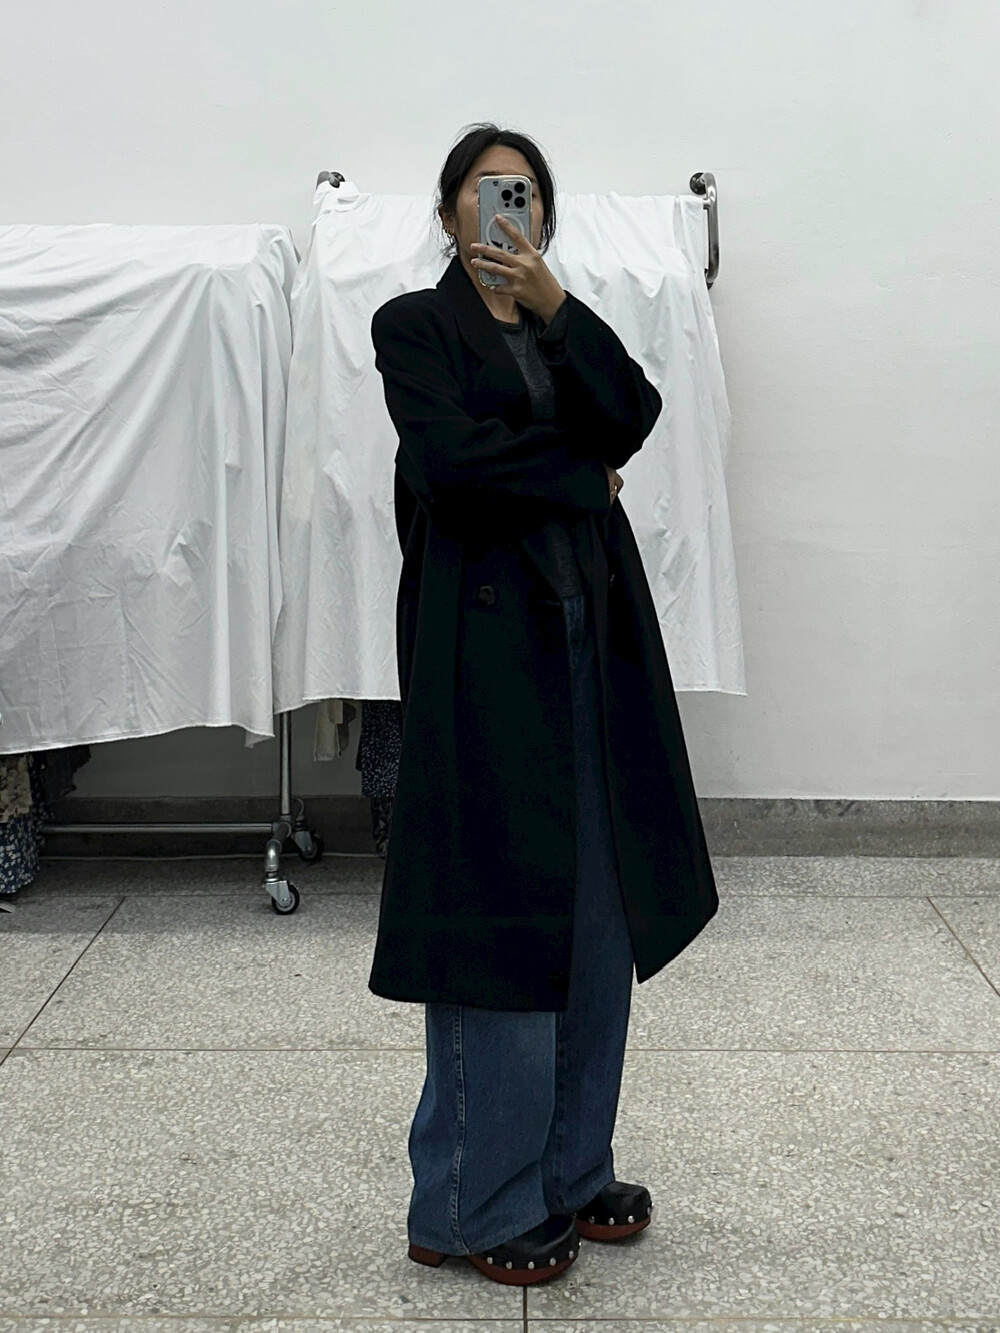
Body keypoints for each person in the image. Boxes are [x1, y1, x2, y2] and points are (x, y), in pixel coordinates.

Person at [368, 123, 719, 1287]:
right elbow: (454, 466)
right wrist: (578, 477)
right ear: (447, 215)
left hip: (591, 649)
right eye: (482, 194)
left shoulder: (563, 330)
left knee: (598, 917)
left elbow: (632, 414)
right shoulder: (413, 328)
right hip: (489, 665)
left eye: (521, 196)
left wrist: (556, 305)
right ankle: (469, 1202)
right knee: (501, 926)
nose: (501, 213)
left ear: (543, 219)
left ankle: (571, 1170)